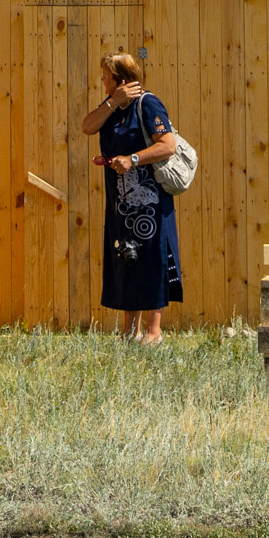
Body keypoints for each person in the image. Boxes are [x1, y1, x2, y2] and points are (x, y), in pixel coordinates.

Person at [82, 52, 181, 342]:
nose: (101, 81)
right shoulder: (113, 106)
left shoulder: (148, 104)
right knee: (127, 256)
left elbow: (168, 146)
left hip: (150, 201)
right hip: (121, 201)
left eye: (105, 77)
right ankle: (130, 331)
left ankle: (154, 330)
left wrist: (132, 159)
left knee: (153, 258)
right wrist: (113, 101)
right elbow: (87, 126)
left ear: (120, 80)